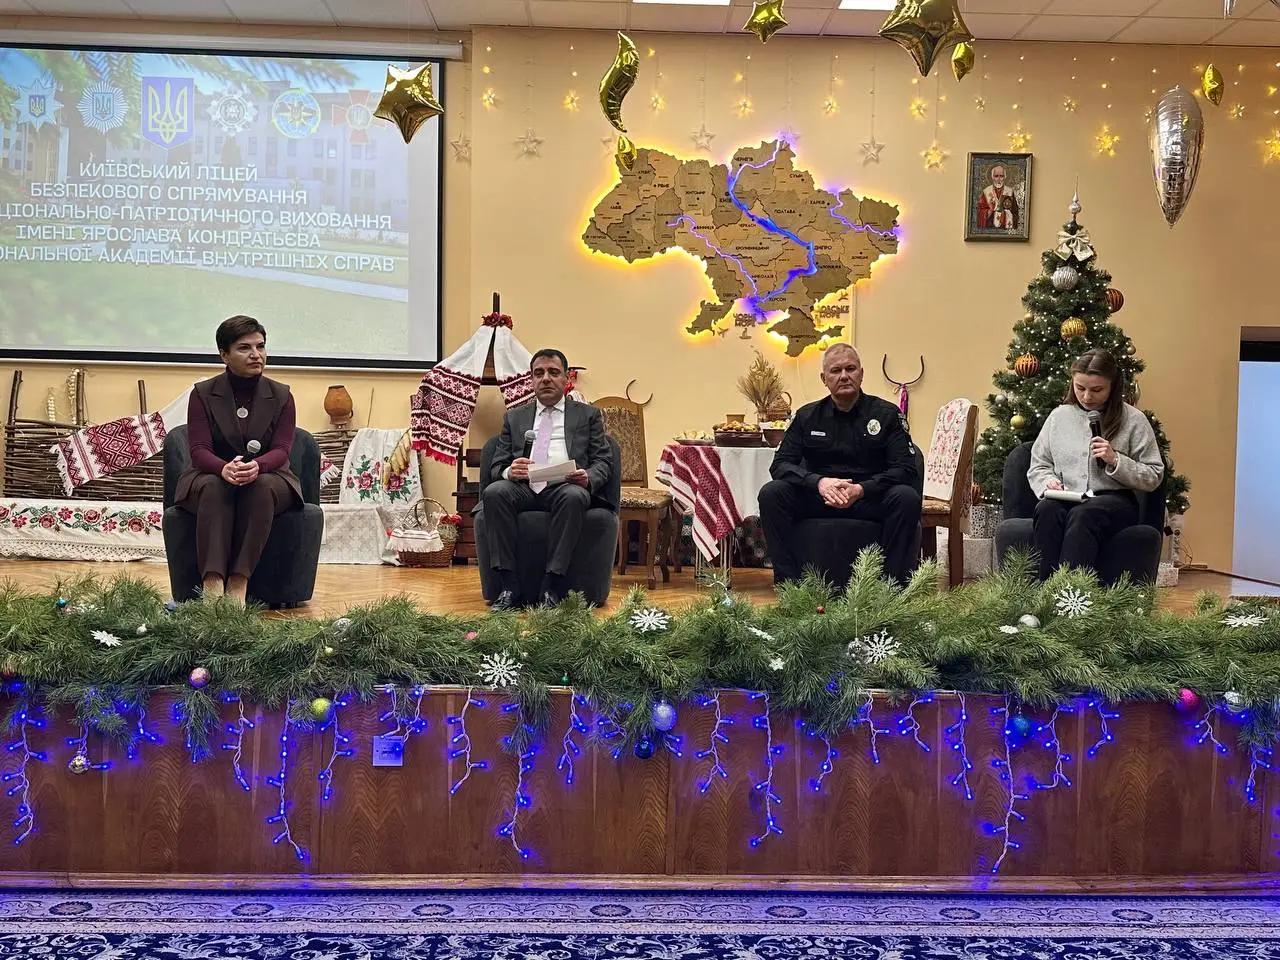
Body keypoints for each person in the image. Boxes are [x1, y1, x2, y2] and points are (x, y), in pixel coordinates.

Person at [759, 343, 922, 585]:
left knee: (906, 498)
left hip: (868, 498)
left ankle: (890, 588)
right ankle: (789, 585)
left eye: (850, 369)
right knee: (772, 493)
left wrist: (862, 489)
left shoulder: (887, 414)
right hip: (820, 498)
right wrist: (819, 483)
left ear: (861, 374)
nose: (844, 376)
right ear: (824, 379)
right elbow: (780, 465)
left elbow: (906, 468)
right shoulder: (807, 416)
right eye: (836, 371)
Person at [175, 315, 301, 603]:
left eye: (260, 346)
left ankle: (238, 583)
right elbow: (198, 450)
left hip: (269, 475)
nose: (256, 355)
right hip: (211, 474)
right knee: (214, 487)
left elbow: (282, 449)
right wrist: (223, 469)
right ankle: (212, 583)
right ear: (224, 355)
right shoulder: (202, 394)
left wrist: (258, 466)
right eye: (245, 348)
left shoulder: (282, 395)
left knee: (262, 487)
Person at [481, 348, 614, 611]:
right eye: (538, 373)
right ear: (531, 380)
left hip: (565, 486)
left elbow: (604, 460)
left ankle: (551, 585)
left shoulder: (587, 415)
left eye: (553, 372)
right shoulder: (514, 417)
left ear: (566, 379)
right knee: (495, 492)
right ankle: (508, 586)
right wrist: (509, 471)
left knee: (574, 496)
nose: (545, 379)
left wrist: (587, 477)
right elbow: (497, 464)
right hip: (523, 487)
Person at [1028, 349, 1164, 581]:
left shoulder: (1133, 419)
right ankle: (1044, 591)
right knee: (1047, 510)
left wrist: (1115, 459)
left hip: (1115, 502)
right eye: (1080, 388)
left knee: (1084, 514)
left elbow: (1154, 475)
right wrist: (1048, 482)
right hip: (1067, 496)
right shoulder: (1059, 417)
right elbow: (1039, 465)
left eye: (1097, 390)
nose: (1087, 396)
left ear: (1113, 386)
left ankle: (1071, 594)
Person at [977, 164, 1019, 231]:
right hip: (990, 227)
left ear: (1005, 177)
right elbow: (980, 213)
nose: (999, 179)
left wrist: (1007, 213)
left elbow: (1015, 212)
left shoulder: (1010, 191)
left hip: (1005, 227)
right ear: (992, 177)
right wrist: (990, 210)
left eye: (1001, 176)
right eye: (996, 176)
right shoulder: (986, 191)